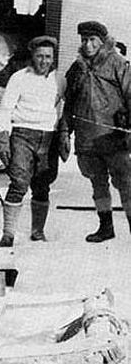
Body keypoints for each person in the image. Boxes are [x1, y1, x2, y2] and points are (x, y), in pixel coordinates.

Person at [59, 21, 131, 242]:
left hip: (113, 138)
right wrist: (64, 131)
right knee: (97, 184)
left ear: (102, 41)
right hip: (86, 139)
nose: (88, 45)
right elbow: (68, 103)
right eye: (84, 40)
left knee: (126, 183)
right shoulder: (77, 67)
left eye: (92, 40)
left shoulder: (117, 63)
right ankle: (106, 227)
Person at [0, 35, 65, 247]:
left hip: (48, 137)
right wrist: (3, 140)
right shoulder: (19, 77)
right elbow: (5, 109)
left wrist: (63, 135)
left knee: (42, 184)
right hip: (22, 135)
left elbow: (64, 110)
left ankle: (37, 231)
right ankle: (8, 233)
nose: (44, 61)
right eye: (40, 56)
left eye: (48, 57)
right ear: (32, 56)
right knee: (18, 182)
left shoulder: (59, 80)